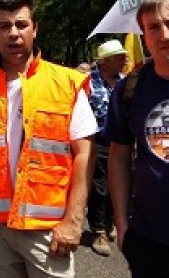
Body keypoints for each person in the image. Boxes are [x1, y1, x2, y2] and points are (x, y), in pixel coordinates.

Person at [0, 0, 96, 277]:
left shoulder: (66, 82)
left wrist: (73, 220)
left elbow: (85, 155)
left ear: (35, 29)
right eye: (4, 26)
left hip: (46, 229)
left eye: (21, 24)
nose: (13, 34)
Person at [105, 0, 169, 278]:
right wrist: (121, 224)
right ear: (144, 37)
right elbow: (118, 156)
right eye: (154, 27)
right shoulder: (129, 90)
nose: (164, 34)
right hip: (149, 239)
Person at [86, 39, 127, 257]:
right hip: (98, 142)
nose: (124, 60)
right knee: (100, 187)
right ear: (106, 61)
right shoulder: (89, 82)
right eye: (120, 57)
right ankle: (98, 230)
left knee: (118, 185)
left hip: (121, 143)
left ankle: (111, 221)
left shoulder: (126, 82)